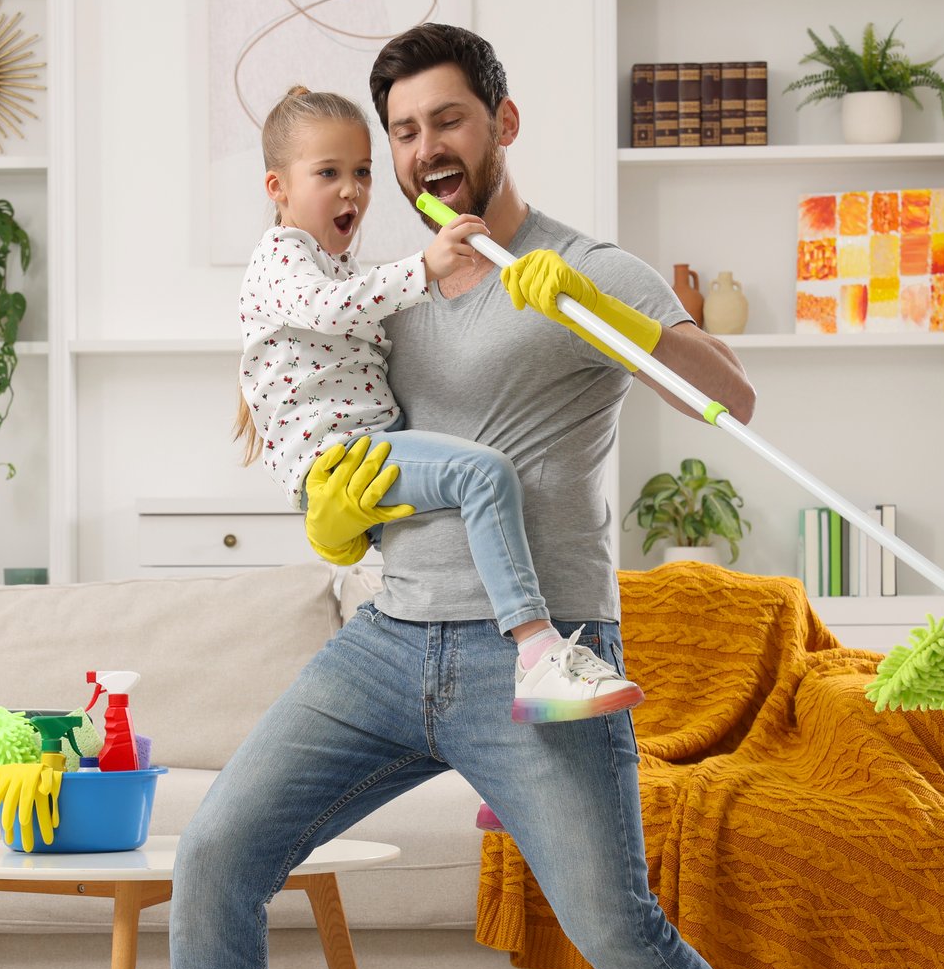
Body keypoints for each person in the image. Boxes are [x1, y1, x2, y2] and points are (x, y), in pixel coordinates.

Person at [93, 24, 781, 969]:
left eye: (446, 122)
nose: (423, 151)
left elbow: (730, 395)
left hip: (538, 657)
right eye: (401, 132)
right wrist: (332, 520)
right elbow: (313, 394)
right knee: (214, 858)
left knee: (614, 919)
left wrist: (609, 313)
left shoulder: (583, 263)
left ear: (503, 124)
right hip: (386, 641)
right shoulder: (389, 283)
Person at [231, 84, 641, 722]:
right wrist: (422, 270)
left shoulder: (342, 267)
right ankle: (537, 650)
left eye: (363, 172)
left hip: (363, 453)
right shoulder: (284, 258)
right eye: (328, 173)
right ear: (277, 187)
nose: (352, 190)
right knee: (483, 472)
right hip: (343, 459)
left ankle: (497, 752)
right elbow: (328, 309)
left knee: (473, 476)